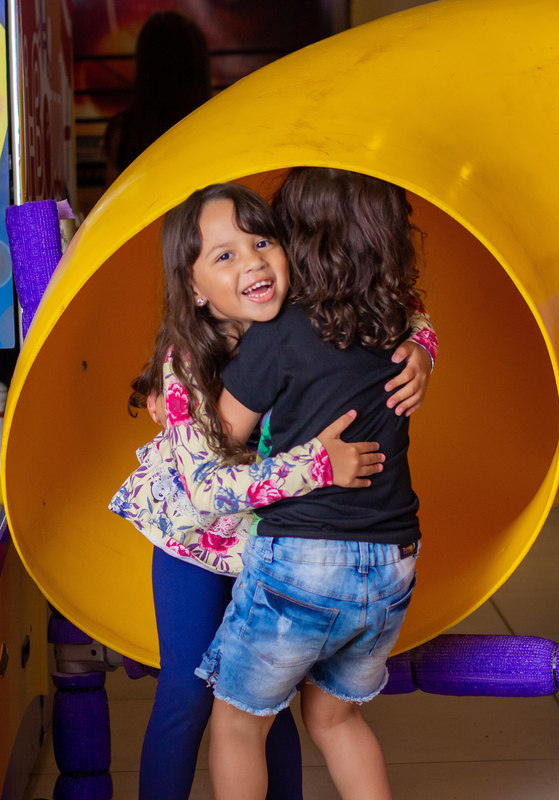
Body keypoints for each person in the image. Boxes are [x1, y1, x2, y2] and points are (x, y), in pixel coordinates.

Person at [109, 182, 436, 800]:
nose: (252, 262)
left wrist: (421, 346)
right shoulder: (188, 362)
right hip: (199, 542)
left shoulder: (308, 318)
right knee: (187, 690)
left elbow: (404, 304)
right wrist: (313, 468)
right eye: (224, 255)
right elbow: (205, 493)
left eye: (262, 242)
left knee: (268, 699)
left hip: (274, 544)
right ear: (196, 287)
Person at [193, 168, 425, 800]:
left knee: (238, 724)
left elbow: (224, 432)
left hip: (303, 560)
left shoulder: (279, 334)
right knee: (336, 717)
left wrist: (190, 380)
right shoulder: (400, 327)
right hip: (393, 561)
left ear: (300, 240)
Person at [103, 11, 211, 184]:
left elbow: (113, 202)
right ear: (200, 68)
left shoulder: (122, 133)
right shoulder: (214, 130)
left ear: (144, 67)